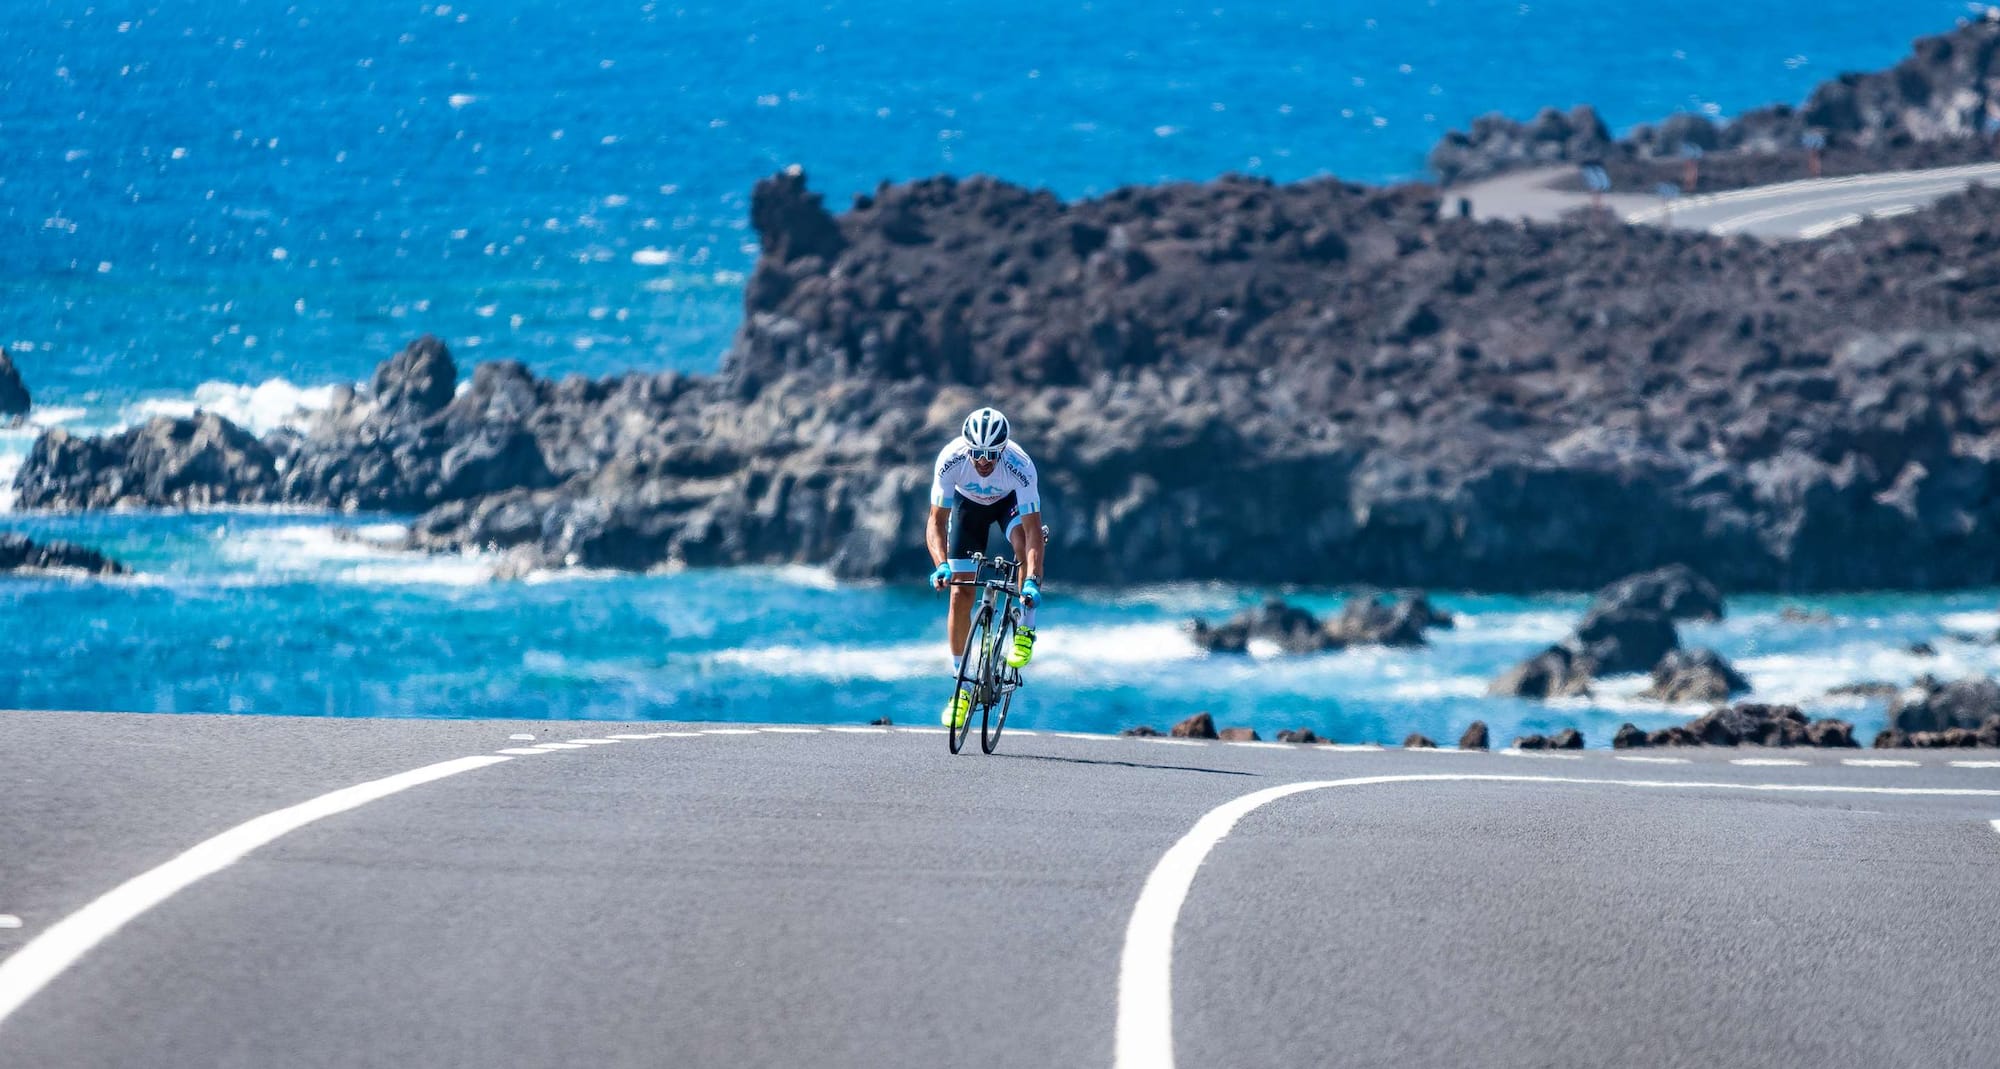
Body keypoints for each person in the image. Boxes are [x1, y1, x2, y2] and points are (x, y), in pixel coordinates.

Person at [926, 406, 1046, 728]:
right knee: (959, 595)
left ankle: (1025, 627)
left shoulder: (1020, 466)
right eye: (977, 453)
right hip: (968, 510)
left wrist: (1032, 580)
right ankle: (962, 690)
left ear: (1003, 451)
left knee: (1022, 543)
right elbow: (936, 522)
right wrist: (941, 566)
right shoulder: (951, 459)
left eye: (991, 454)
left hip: (1008, 504)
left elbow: (1035, 532)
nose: (982, 461)